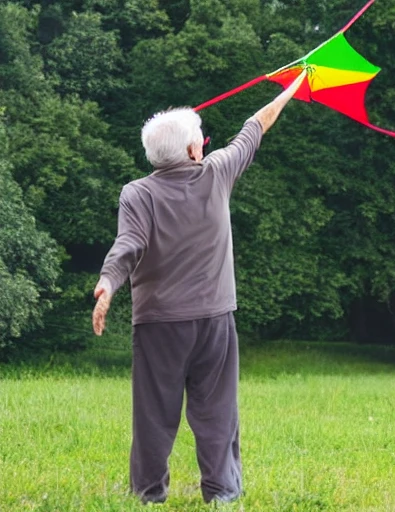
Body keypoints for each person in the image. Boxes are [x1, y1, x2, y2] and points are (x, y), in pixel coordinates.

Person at [92, 69, 307, 505]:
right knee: (217, 412)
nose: (205, 144)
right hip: (214, 322)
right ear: (193, 149)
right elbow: (256, 124)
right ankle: (223, 493)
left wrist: (108, 282)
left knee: (154, 416)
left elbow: (128, 244)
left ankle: (149, 495)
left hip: (158, 326)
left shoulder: (136, 193)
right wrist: (294, 87)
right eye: (203, 139)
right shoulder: (217, 172)